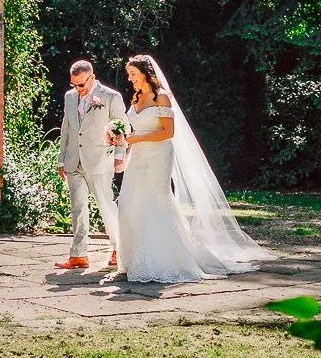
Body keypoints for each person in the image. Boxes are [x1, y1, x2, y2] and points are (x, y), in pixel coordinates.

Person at [112, 55, 270, 284]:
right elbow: (133, 132)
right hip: (138, 157)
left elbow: (168, 132)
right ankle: (132, 259)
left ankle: (161, 260)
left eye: (133, 74)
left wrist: (137, 139)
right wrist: (125, 147)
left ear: (146, 73)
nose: (130, 79)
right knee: (128, 201)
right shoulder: (136, 97)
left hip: (158, 156)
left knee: (154, 202)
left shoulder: (162, 98)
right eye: (129, 74)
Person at [55, 59, 126, 270]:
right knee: (78, 207)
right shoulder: (70, 98)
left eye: (81, 85)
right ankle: (78, 255)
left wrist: (119, 156)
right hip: (74, 161)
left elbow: (123, 127)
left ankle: (119, 249)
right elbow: (66, 129)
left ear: (92, 78)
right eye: (73, 85)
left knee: (106, 206)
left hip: (99, 160)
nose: (78, 89)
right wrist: (62, 159)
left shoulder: (111, 97)